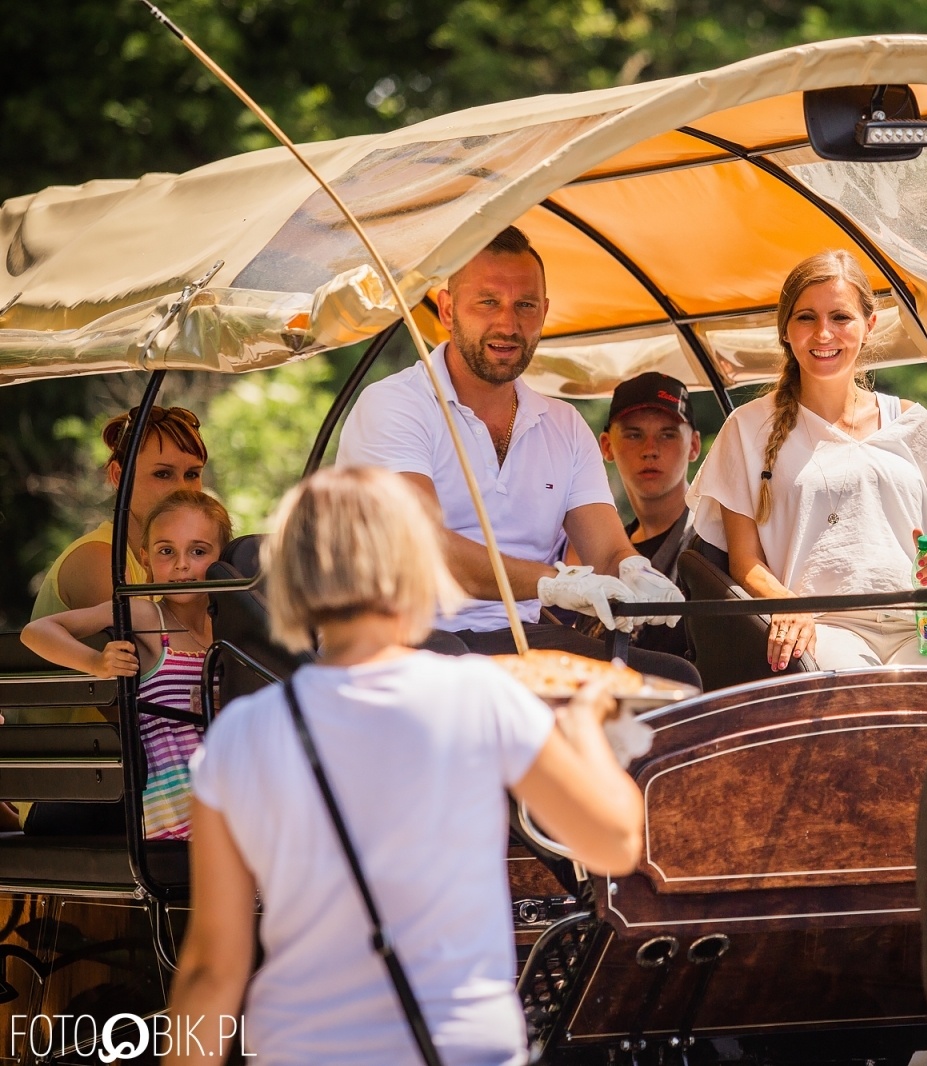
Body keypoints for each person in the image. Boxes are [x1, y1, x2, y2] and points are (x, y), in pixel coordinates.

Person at [161, 466, 644, 1066]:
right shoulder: (483, 697)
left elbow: (210, 970)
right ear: (416, 568)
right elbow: (616, 843)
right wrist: (588, 731)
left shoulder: (240, 735)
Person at [336, 226, 697, 687]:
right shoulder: (394, 405)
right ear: (447, 310)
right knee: (468, 691)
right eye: (487, 302)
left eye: (524, 305)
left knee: (673, 680)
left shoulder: (564, 425)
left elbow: (607, 549)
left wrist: (633, 570)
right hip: (395, 636)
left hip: (518, 638)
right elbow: (421, 549)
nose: (508, 324)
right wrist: (553, 582)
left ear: (543, 313)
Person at [687, 250, 927, 673]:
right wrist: (787, 605)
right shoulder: (747, 427)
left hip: (926, 623)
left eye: (840, 317)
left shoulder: (912, 421)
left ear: (869, 326)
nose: (823, 334)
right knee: (860, 710)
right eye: (806, 317)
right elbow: (744, 562)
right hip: (826, 625)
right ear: (786, 331)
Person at [22, 490, 231, 839]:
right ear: (146, 559)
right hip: (175, 817)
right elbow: (37, 632)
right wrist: (95, 662)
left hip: (229, 803)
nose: (181, 564)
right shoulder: (146, 616)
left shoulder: (228, 631)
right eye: (167, 551)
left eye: (198, 551)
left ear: (222, 558)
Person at [569, 372, 701, 658]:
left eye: (668, 434)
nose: (650, 450)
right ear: (606, 446)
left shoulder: (712, 541)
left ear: (694, 446)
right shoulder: (602, 550)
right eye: (633, 434)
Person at [32, 405, 207, 619]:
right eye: (162, 474)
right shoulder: (99, 561)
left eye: (192, 474)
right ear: (118, 476)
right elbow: (142, 650)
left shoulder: (187, 561)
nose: (182, 489)